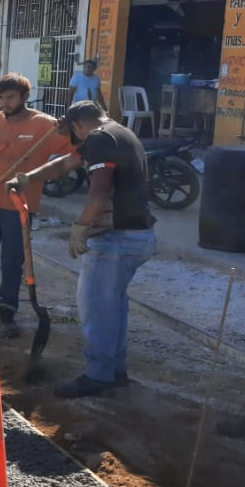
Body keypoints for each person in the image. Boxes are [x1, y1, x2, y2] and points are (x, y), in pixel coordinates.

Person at [9, 101, 156, 397]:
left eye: (73, 134)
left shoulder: (100, 138)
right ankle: (115, 370)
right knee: (113, 304)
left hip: (116, 238)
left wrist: (81, 227)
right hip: (138, 235)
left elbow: (100, 190)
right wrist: (29, 177)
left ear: (78, 125)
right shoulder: (119, 133)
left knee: (96, 307)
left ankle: (98, 374)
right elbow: (65, 163)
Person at [0, 73, 72, 339]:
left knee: (11, 261)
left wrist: (67, 131)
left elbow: (74, 147)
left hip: (20, 207)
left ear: (24, 97)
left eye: (10, 98)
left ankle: (6, 311)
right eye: (0, 98)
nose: (4, 104)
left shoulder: (44, 125)